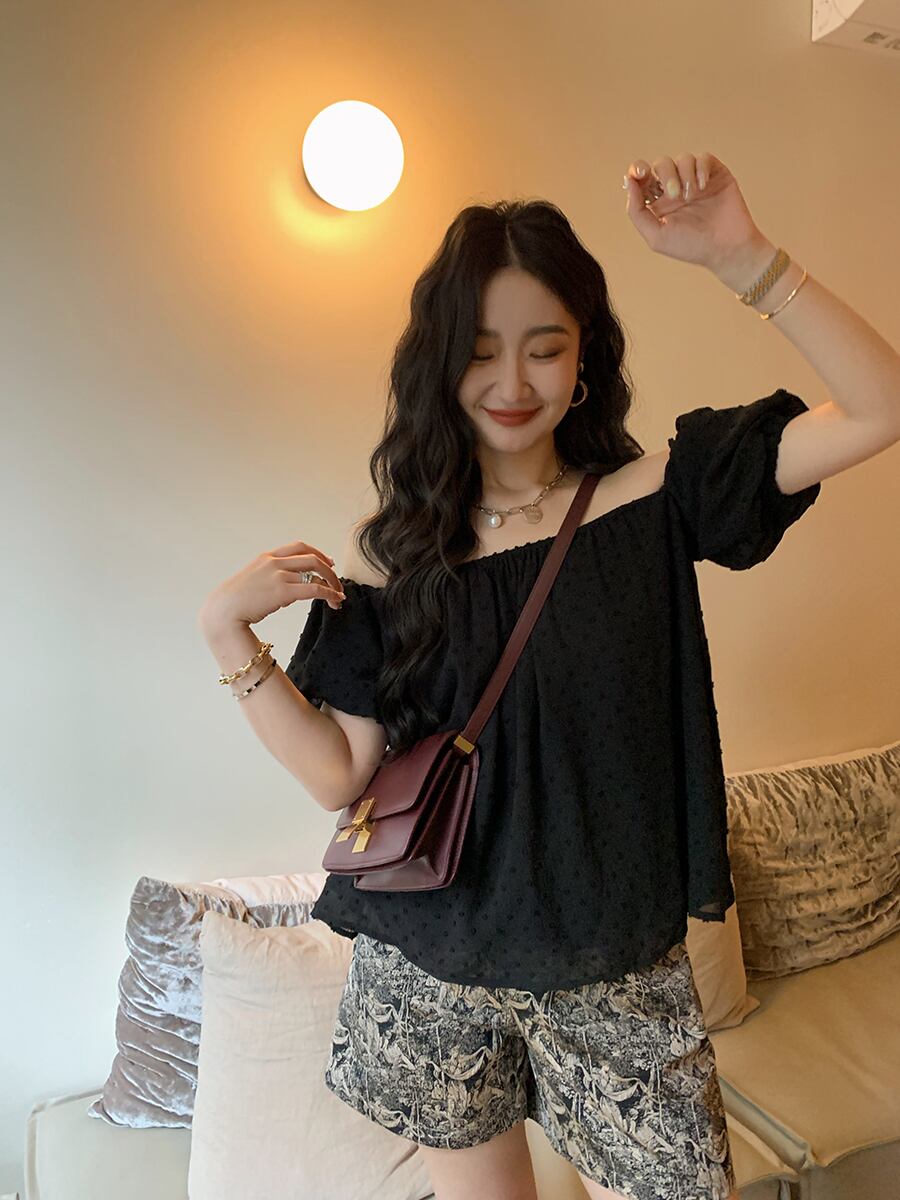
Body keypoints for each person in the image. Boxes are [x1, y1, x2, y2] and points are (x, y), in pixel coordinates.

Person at [200, 160, 853, 1200]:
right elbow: (340, 776)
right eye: (479, 352)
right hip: (430, 966)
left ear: (585, 357)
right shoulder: (399, 559)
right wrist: (226, 632)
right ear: (438, 365)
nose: (512, 382)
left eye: (545, 348)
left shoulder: (657, 497)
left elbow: (878, 408)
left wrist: (743, 256)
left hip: (614, 972)